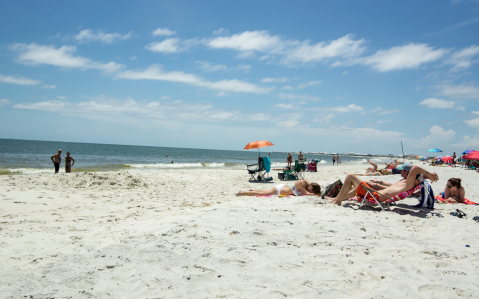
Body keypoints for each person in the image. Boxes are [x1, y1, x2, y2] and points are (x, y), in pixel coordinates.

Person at [326, 165, 438, 206]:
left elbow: (415, 168)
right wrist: (430, 176)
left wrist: (430, 175)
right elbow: (417, 174)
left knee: (350, 176)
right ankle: (336, 198)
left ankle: (338, 201)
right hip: (375, 195)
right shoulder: (406, 183)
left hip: (374, 196)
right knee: (361, 184)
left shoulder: (408, 185)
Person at [236, 180, 321, 197]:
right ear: (312, 187)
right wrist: (316, 194)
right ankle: (242, 193)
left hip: (282, 188)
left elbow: (307, 192)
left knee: (267, 191)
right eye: (311, 190)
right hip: (280, 190)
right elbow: (307, 194)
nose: (309, 190)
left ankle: (252, 190)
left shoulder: (306, 183)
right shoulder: (302, 183)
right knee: (263, 194)